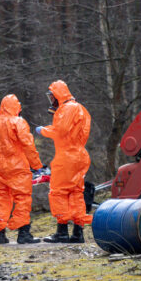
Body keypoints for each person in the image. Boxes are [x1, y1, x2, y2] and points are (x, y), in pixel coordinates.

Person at [0, 94, 43, 245]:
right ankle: (23, 234)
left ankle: (1, 234)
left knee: (2, 199)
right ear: (16, 106)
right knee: (22, 199)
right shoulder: (18, 122)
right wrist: (36, 165)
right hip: (17, 167)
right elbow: (28, 145)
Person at [35, 80, 92, 243]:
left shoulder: (67, 109)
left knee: (58, 192)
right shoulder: (80, 108)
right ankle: (78, 233)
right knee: (76, 193)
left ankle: (62, 232)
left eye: (52, 97)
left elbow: (60, 131)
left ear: (58, 95)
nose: (51, 101)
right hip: (80, 155)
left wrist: (43, 130)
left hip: (67, 156)